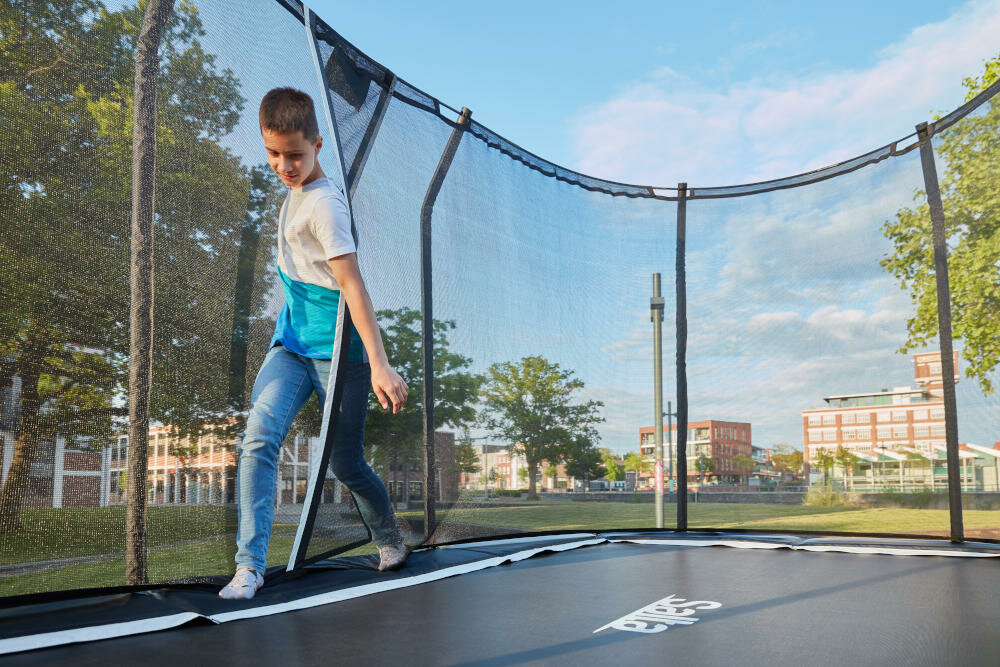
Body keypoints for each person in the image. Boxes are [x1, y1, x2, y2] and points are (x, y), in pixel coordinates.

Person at [220, 88, 409, 601]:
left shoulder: (324, 204)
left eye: (296, 155)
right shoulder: (293, 192)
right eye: (273, 154)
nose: (284, 165)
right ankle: (249, 566)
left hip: (338, 356)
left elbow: (353, 286)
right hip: (291, 347)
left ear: (319, 144)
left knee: (345, 463)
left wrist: (379, 364)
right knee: (259, 437)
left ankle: (389, 537)